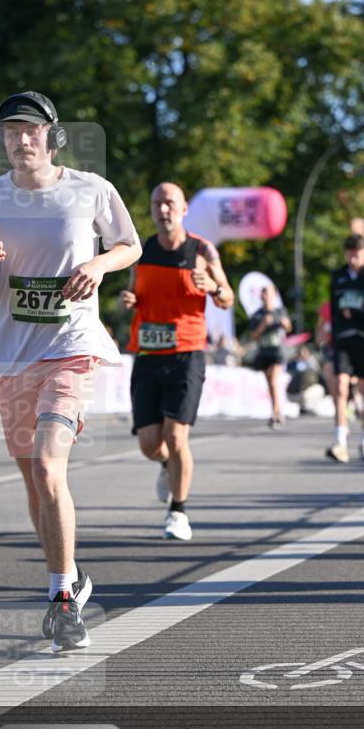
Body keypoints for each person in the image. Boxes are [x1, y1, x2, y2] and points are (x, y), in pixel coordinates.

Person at [0, 91, 141, 652]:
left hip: (72, 348)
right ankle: (74, 575)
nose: (20, 139)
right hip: (13, 356)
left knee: (47, 463)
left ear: (52, 135)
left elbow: (128, 245)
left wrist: (97, 263)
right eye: (10, 131)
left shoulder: (90, 190)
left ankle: (61, 601)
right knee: (34, 483)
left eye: (30, 130)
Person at [120, 182, 234, 540]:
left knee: (177, 434)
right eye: (157, 203)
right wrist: (130, 300)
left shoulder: (202, 250)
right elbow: (137, 291)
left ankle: (178, 512)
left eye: (169, 203)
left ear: (184, 209)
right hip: (148, 354)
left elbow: (228, 298)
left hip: (187, 352)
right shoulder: (140, 250)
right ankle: (167, 466)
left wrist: (213, 286)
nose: (163, 209)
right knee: (151, 445)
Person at [326, 233, 364, 463]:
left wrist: (360, 313)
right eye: (349, 255)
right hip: (343, 339)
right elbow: (333, 311)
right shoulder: (338, 276)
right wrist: (331, 337)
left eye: (357, 255)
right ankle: (340, 441)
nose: (353, 260)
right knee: (340, 387)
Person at [249, 283, 292, 428]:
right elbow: (254, 336)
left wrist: (285, 324)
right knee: (270, 384)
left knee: (274, 380)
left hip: (277, 352)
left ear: (274, 295)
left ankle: (275, 414)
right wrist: (263, 325)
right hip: (264, 352)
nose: (266, 296)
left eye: (269, 293)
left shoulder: (280, 311)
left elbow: (288, 328)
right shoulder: (257, 315)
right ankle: (278, 410)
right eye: (264, 293)